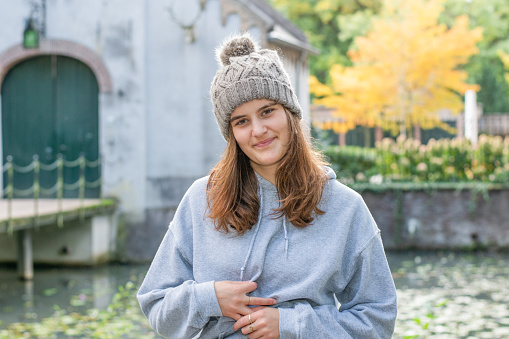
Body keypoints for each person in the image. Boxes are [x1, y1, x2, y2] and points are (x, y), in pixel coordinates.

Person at [137, 33, 397, 339]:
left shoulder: (345, 207)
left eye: (267, 111)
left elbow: (378, 321)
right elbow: (157, 305)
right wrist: (209, 299)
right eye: (241, 121)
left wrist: (292, 326)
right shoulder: (202, 199)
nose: (258, 131)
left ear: (290, 113)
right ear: (231, 133)